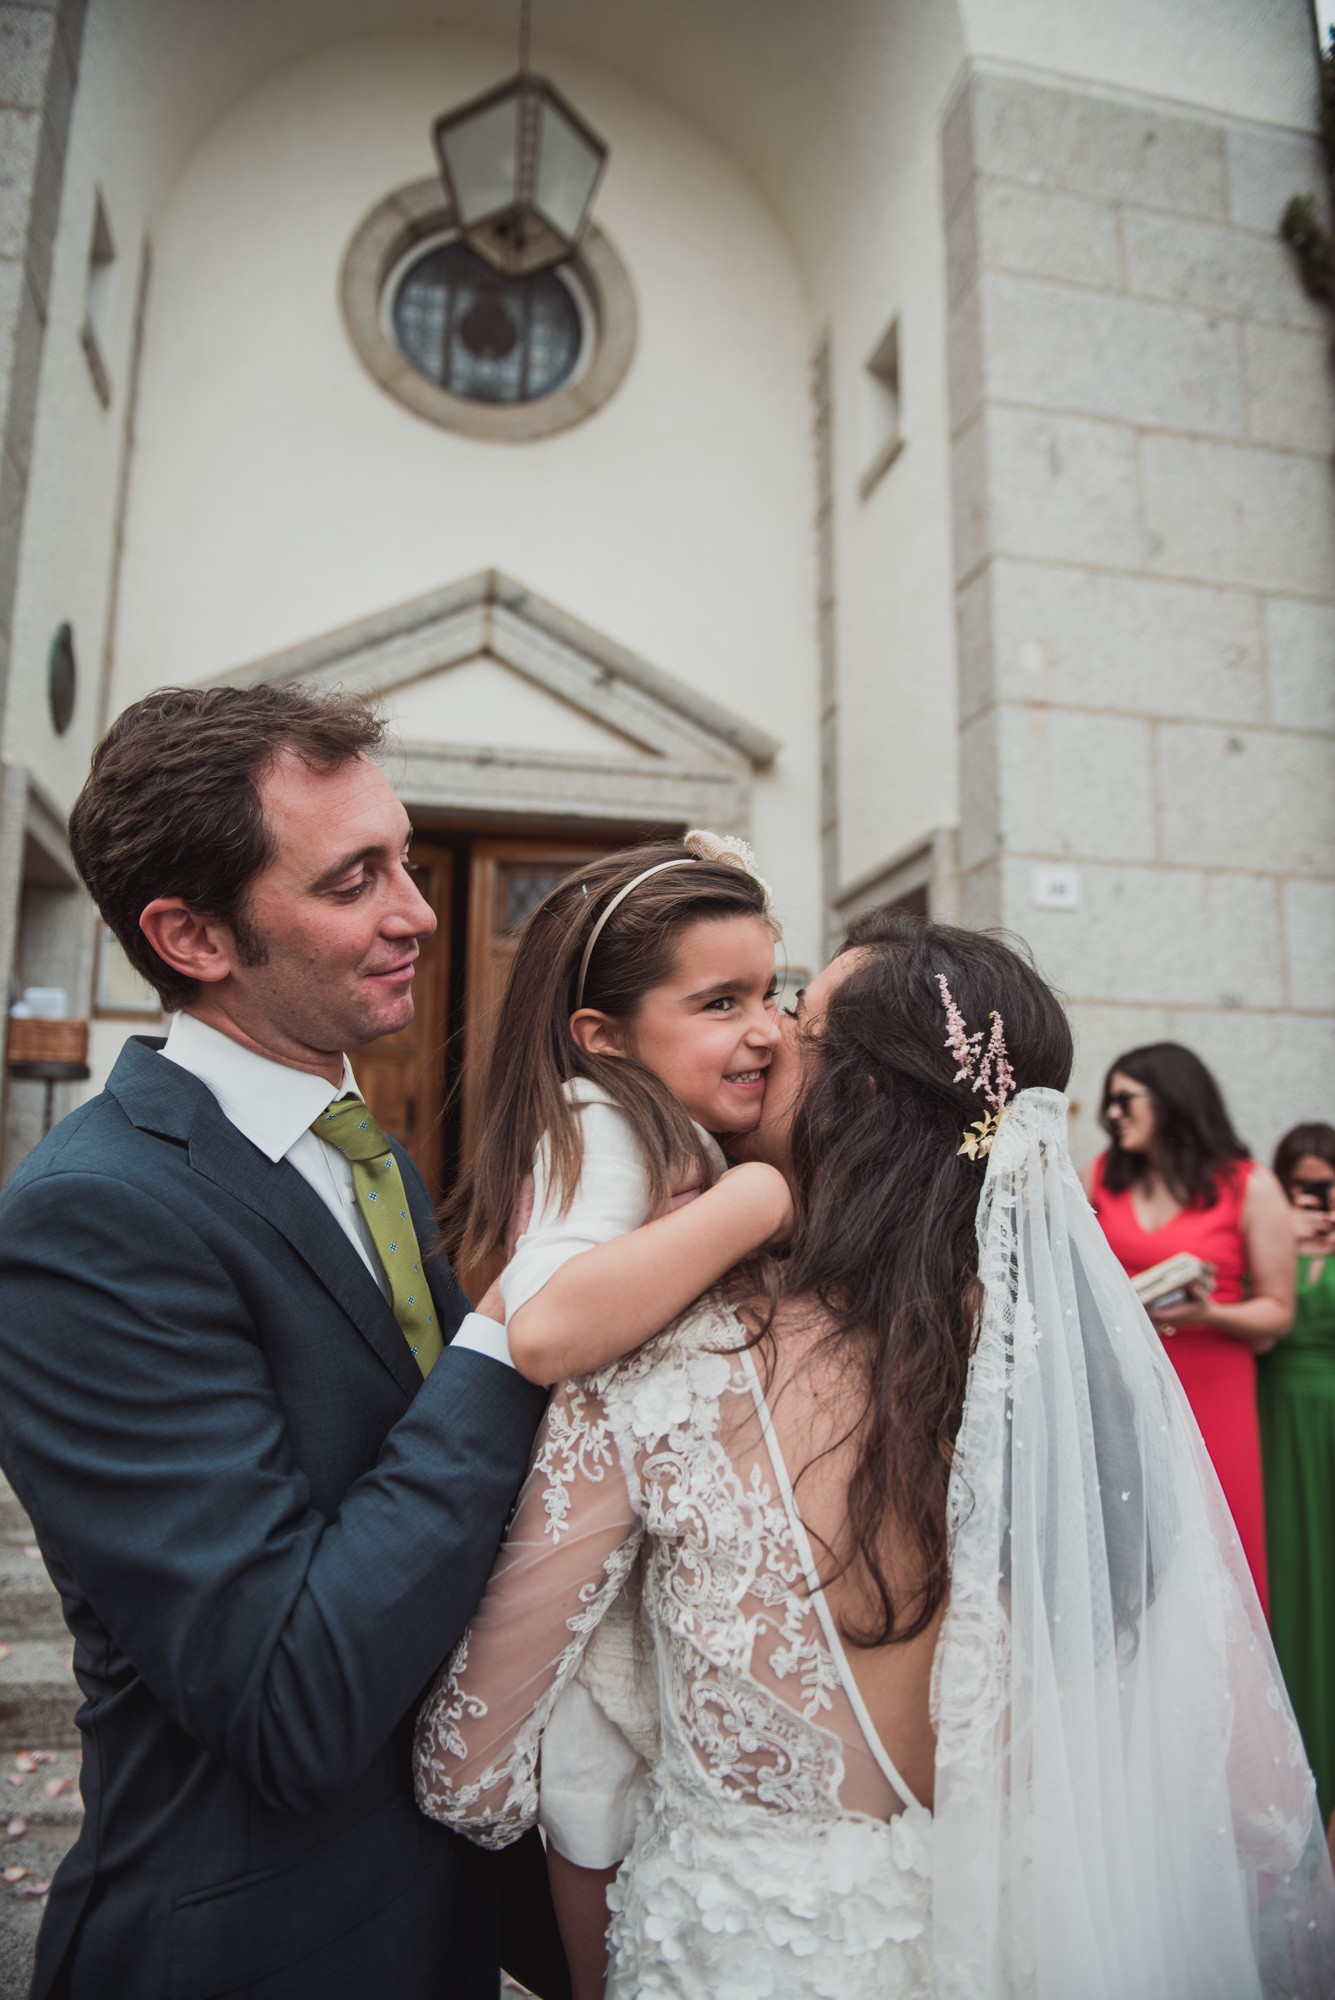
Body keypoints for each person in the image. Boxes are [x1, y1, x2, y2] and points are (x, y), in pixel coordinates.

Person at [417, 911, 1335, 1997]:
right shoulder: (1084, 1387)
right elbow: (1256, 1800)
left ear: (852, 1097)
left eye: (794, 1017)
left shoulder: (665, 1367)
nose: (763, 1034)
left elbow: (465, 1771)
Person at [0, 685, 568, 2000]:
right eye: (353, 880)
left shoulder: (368, 1157)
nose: (418, 911)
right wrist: (507, 1336)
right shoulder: (91, 1219)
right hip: (252, 1948)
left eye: (403, 860)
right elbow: (288, 1696)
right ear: (192, 935)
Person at [439, 831, 794, 1998]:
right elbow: (545, 1325)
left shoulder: (659, 1120)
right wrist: (757, 1197)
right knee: (596, 1791)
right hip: (580, 1555)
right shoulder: (603, 1120)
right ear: (603, 1033)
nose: (766, 1028)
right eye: (721, 1001)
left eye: (774, 992)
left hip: (634, 1537)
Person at [1083, 1042, 1294, 1610]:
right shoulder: (1099, 1177)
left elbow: (1278, 1308)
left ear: (1172, 1098)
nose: (1112, 1114)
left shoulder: (1251, 1185)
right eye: (1109, 1102)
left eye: (1125, 1099)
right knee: (1129, 1536)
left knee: (1220, 1534)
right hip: (1124, 1384)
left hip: (1215, 1380)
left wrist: (1210, 1313)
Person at [1260, 1122, 1335, 1823]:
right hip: (1272, 1422)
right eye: (1303, 1187)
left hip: (1328, 1420)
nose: (1317, 1201)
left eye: (1328, 1187)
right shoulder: (1268, 1237)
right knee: (1280, 1572)